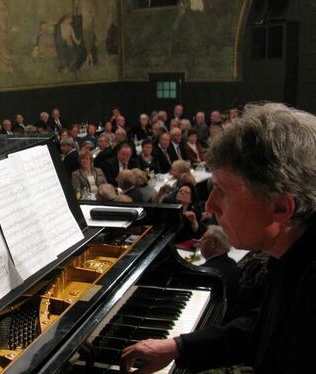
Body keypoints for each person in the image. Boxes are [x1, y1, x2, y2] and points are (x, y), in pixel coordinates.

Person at [121, 103, 316, 374]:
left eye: (223, 191)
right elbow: (262, 327)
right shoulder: (293, 251)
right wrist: (178, 347)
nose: (210, 206)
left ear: (281, 208)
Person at [199, 225, 240, 308]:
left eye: (204, 238)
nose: (200, 241)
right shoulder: (232, 262)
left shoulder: (207, 272)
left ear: (213, 244)